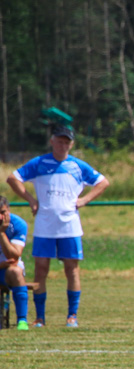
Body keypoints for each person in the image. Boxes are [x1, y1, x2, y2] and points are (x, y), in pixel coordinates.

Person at [6, 125, 109, 328]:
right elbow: (13, 178)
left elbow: (103, 182)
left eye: (67, 142)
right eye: (59, 141)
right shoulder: (39, 163)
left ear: (71, 144)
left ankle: (72, 316)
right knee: (41, 269)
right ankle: (40, 318)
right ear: (52, 141)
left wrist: (85, 199)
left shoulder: (78, 165)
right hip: (45, 225)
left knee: (72, 270)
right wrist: (30, 199)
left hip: (69, 226)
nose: (63, 145)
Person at [0, 195, 30, 330]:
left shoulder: (18, 224)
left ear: (8, 211)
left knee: (16, 271)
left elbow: (14, 256)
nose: (0, 217)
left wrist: (1, 234)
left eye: (2, 212)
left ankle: (22, 321)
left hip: (6, 270)